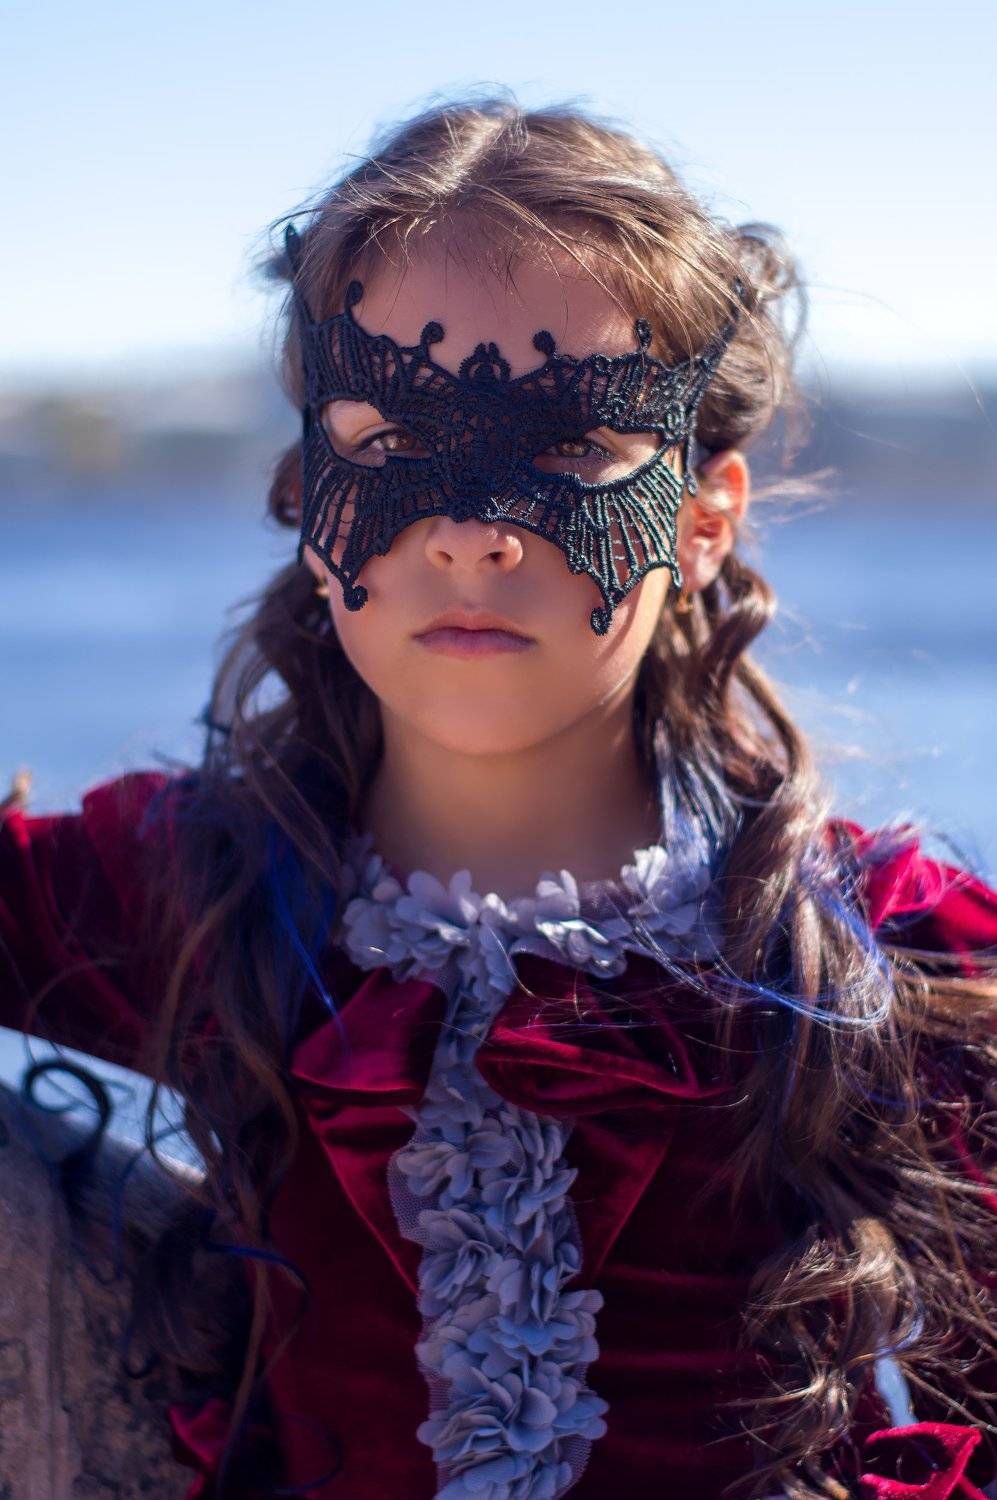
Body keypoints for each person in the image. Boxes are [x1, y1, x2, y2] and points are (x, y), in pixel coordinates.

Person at [1, 94, 995, 1500]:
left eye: (571, 449)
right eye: (388, 445)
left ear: (704, 520)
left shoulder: (890, 963)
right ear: (309, 498)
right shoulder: (189, 889)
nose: (472, 536)